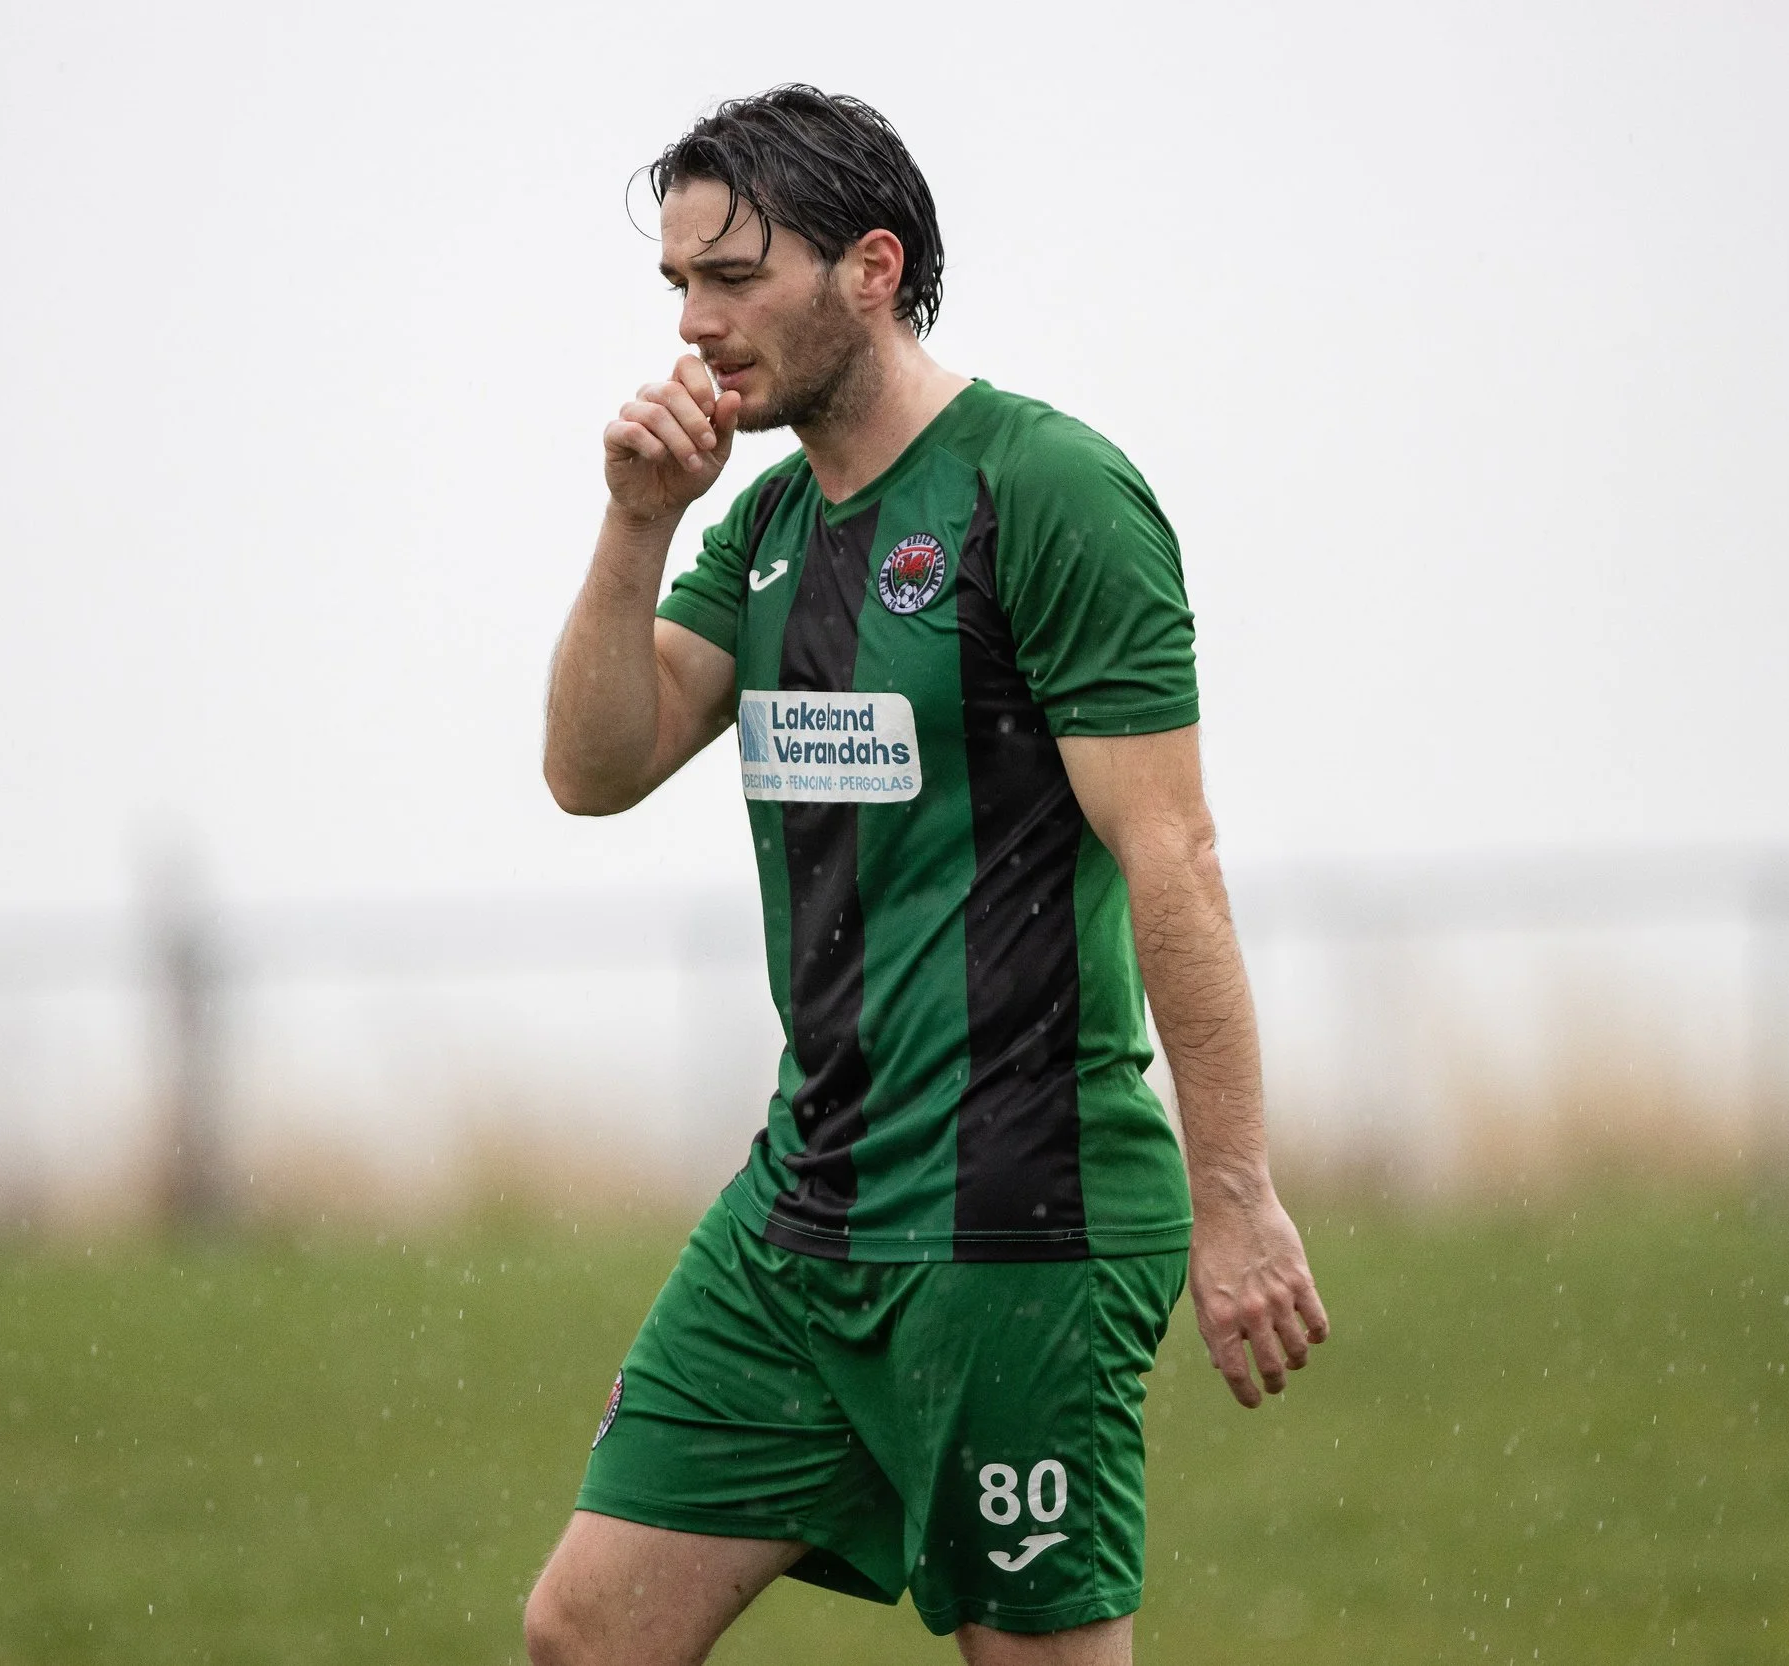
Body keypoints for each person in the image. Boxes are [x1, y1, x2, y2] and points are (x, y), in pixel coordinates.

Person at [529, 85, 1329, 1666]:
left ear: (874, 269)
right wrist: (633, 527)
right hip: (803, 1212)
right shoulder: (757, 529)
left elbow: (1172, 861)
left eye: (736, 277)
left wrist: (1234, 1193)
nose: (698, 324)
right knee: (583, 1633)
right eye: (679, 284)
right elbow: (594, 767)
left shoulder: (1047, 492)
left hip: (1018, 1220)